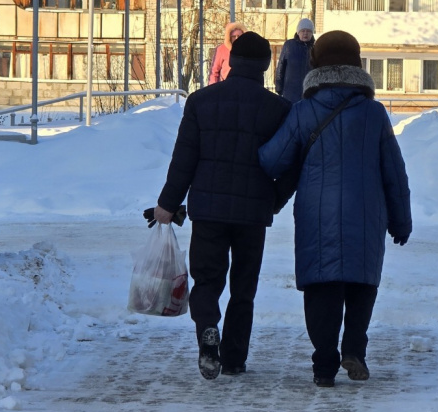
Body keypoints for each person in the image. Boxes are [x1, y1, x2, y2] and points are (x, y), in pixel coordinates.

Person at [258, 30, 412, 388]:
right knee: (361, 285)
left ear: (315, 65)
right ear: (357, 65)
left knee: (321, 289)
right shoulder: (374, 113)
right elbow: (394, 171)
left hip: (317, 217)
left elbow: (272, 161)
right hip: (366, 217)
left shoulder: (303, 111)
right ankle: (354, 349)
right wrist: (400, 221)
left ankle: (323, 365)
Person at [153, 32, 292, 380]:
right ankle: (234, 359)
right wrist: (273, 201)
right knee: (243, 289)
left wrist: (168, 203)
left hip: (209, 211)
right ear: (265, 66)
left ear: (231, 61)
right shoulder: (278, 109)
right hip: (252, 214)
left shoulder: (201, 101)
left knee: (207, 282)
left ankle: (208, 332)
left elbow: (184, 158)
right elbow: (291, 164)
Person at [274, 18, 315, 103]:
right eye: (303, 31)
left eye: (308, 31)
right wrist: (279, 87)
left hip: (310, 94)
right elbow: (281, 66)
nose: (305, 33)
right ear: (298, 32)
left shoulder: (315, 48)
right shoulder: (289, 45)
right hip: (290, 93)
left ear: (312, 33)